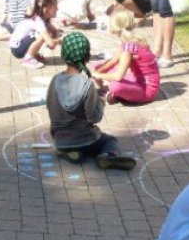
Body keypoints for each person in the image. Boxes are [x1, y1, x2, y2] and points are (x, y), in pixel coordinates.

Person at [46, 32, 137, 171]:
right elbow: (95, 117)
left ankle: (70, 152)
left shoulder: (55, 79)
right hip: (84, 139)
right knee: (110, 140)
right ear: (87, 57)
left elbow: (50, 106)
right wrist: (101, 102)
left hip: (60, 139)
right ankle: (106, 156)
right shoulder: (86, 85)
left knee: (75, 145)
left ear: (63, 56)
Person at [90, 6, 159, 104]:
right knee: (98, 66)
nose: (108, 24)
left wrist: (98, 75)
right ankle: (113, 92)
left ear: (116, 26)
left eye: (110, 22)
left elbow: (118, 76)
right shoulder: (127, 42)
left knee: (116, 86)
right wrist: (97, 71)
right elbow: (114, 60)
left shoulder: (128, 49)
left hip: (146, 91)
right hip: (138, 81)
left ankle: (113, 93)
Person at [9, 0, 62, 69]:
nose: (57, 9)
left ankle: (33, 54)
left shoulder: (43, 17)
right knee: (42, 36)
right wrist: (60, 40)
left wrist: (56, 37)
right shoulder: (38, 21)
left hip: (20, 44)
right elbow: (51, 43)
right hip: (17, 49)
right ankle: (28, 59)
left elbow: (54, 32)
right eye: (55, 6)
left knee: (48, 33)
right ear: (45, 9)